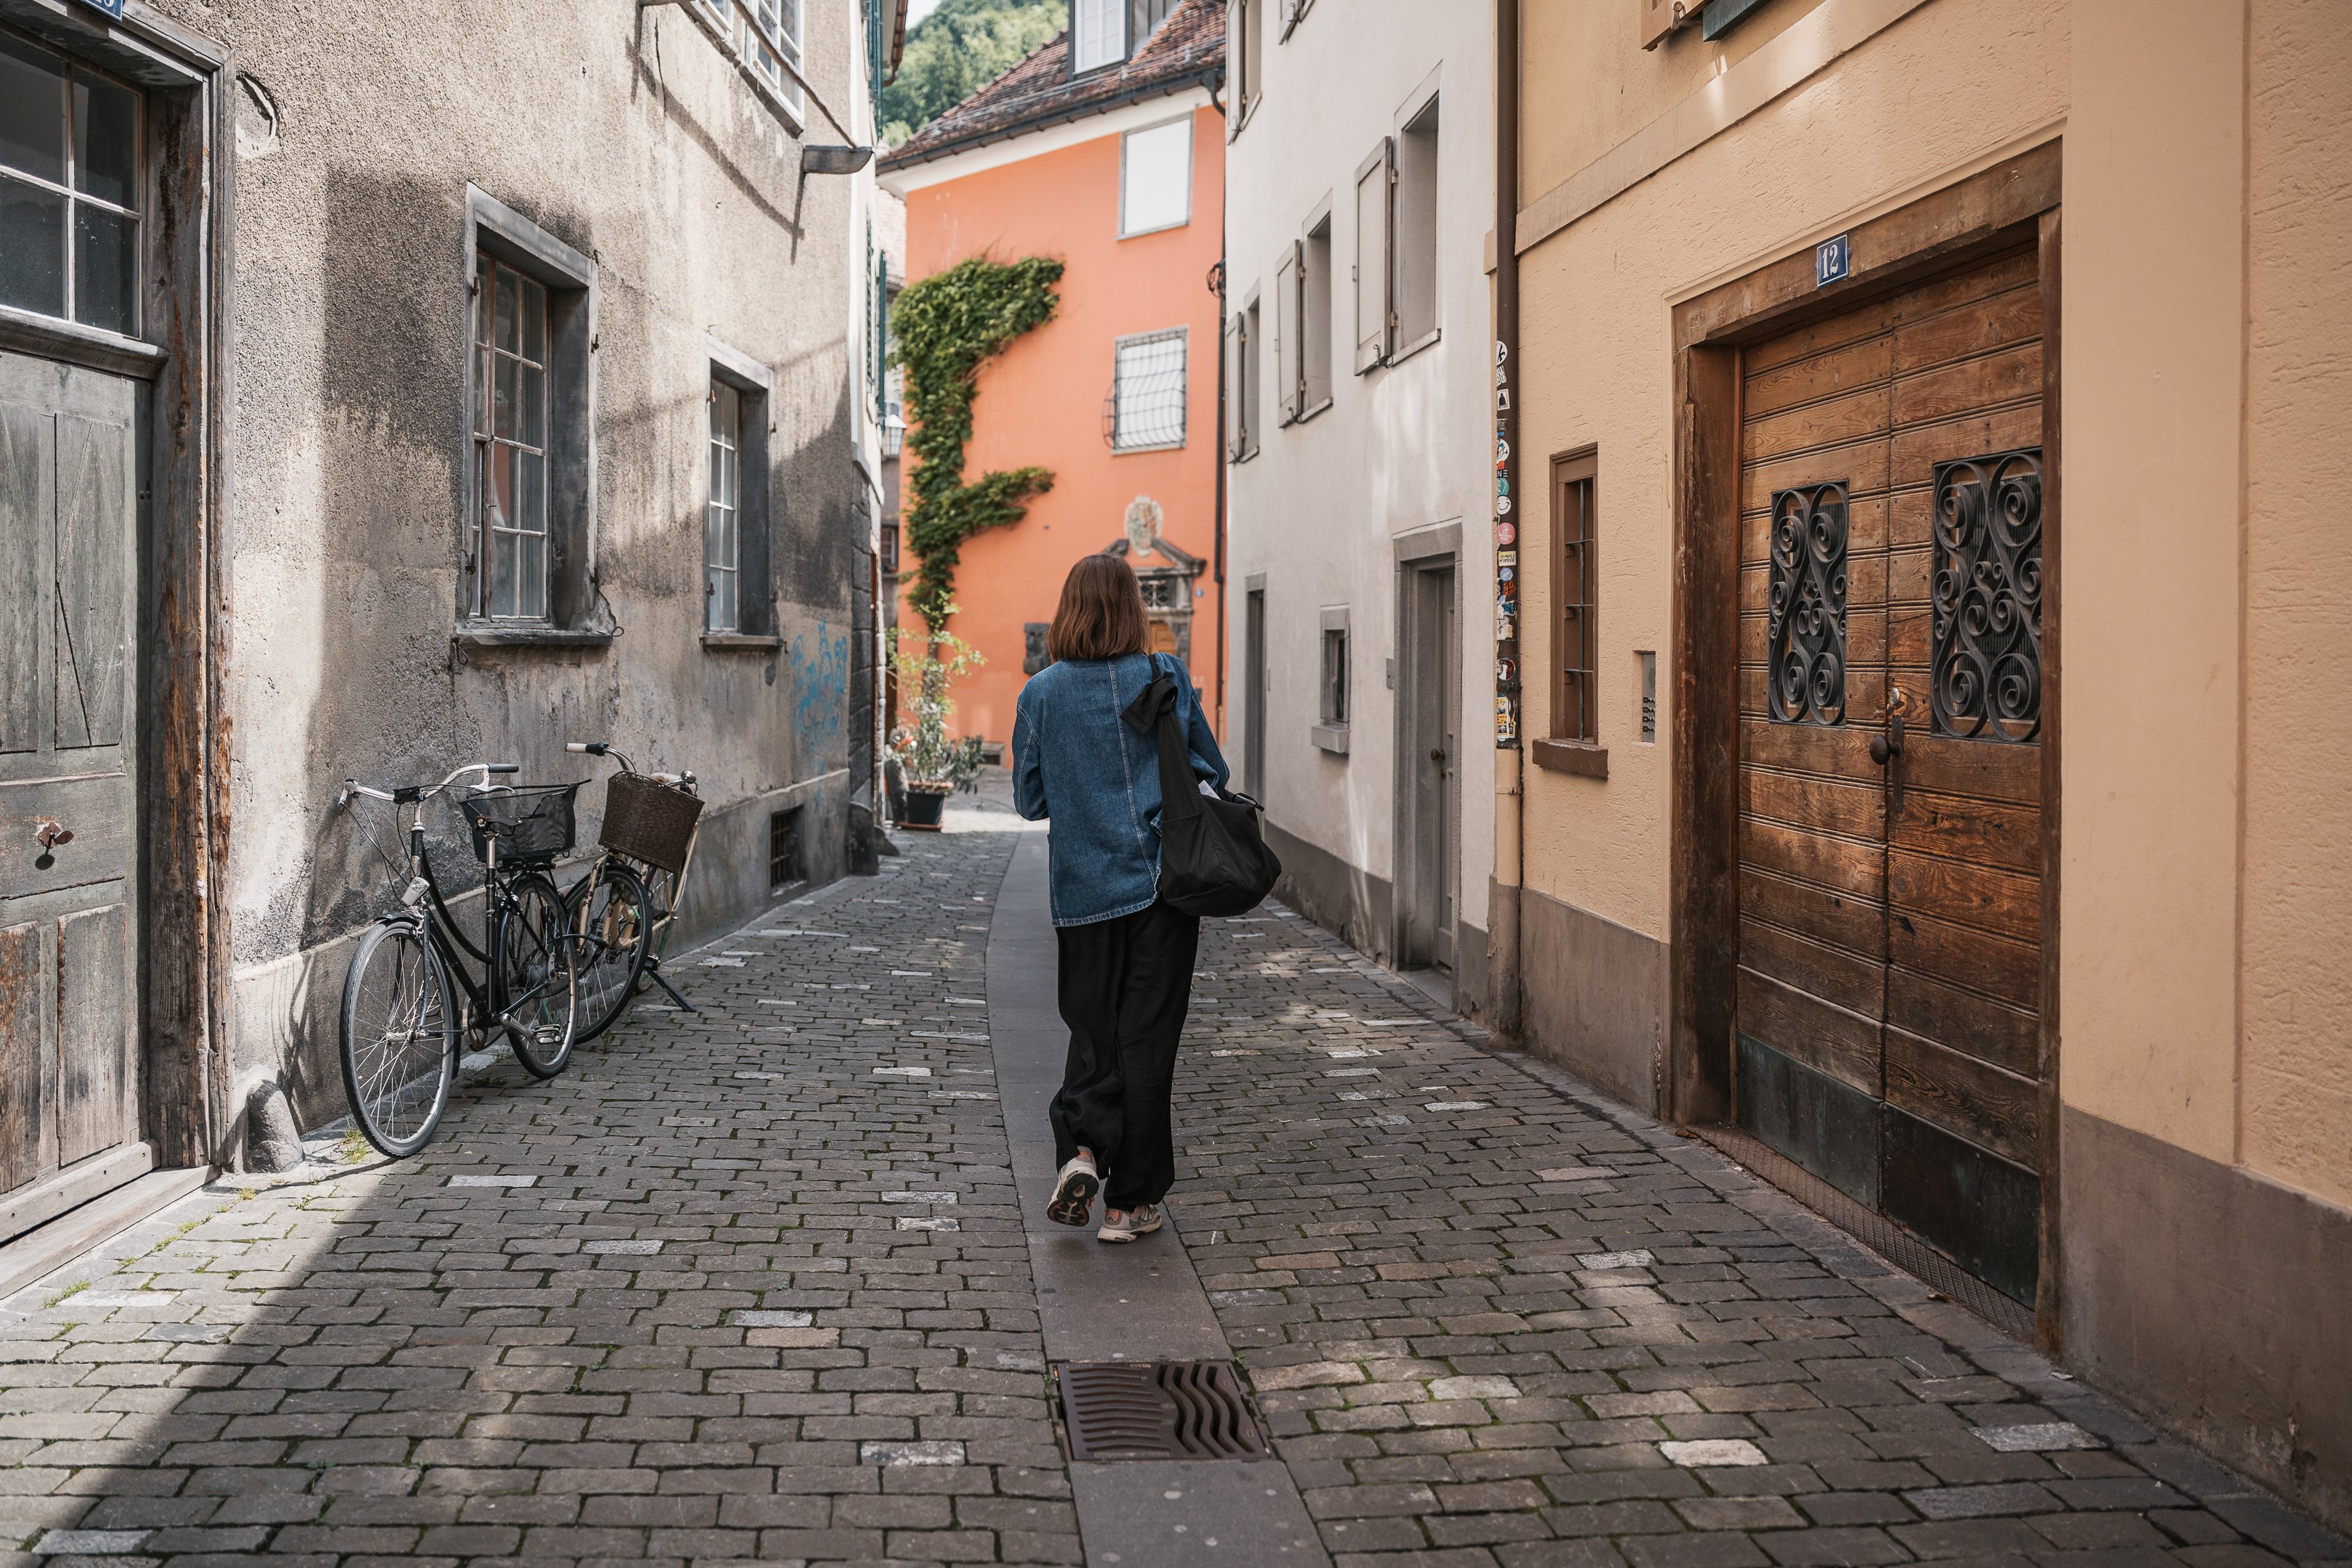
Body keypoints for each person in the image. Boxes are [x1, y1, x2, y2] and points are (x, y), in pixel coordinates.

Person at [1012, 554, 1228, 1243]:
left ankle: (1080, 1153)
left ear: (1068, 609)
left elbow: (1028, 799)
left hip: (1082, 894)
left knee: (1093, 1036)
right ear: (1135, 609)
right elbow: (1210, 770)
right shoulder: (1164, 676)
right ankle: (1128, 1205)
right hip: (1163, 889)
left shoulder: (1039, 695)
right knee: (1148, 1045)